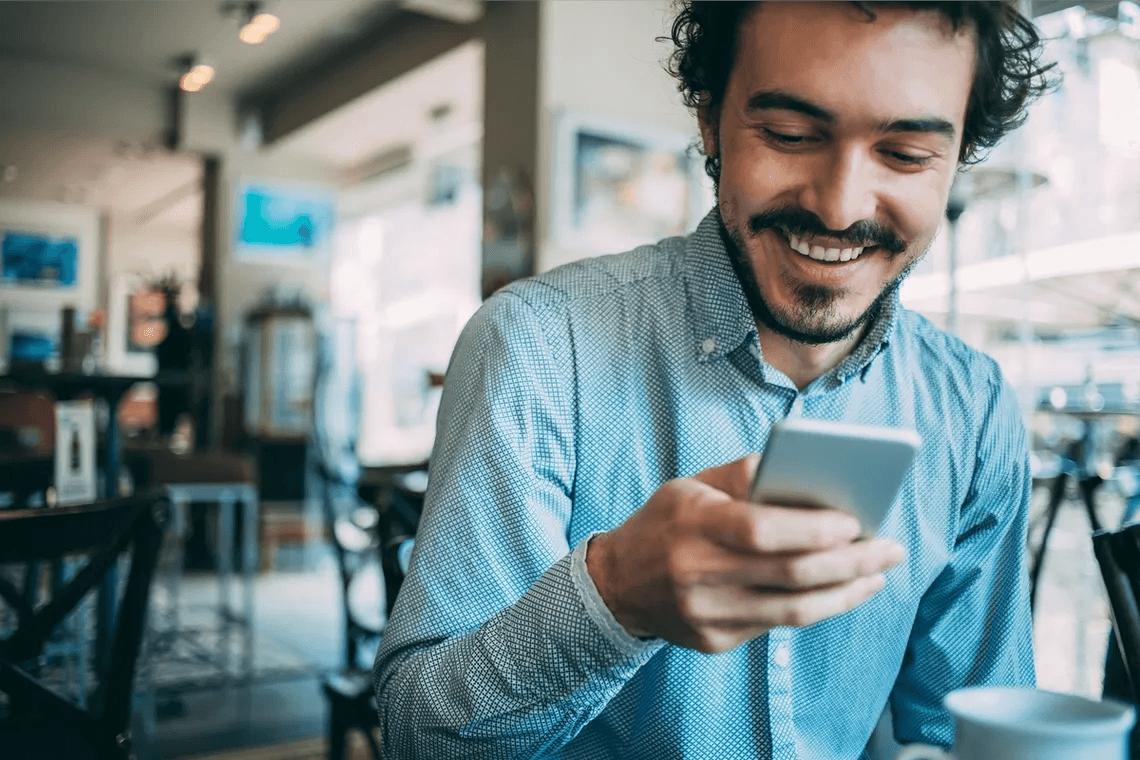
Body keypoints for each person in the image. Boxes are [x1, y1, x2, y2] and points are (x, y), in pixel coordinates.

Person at [373, 2, 1056, 757]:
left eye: (905, 154)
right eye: (792, 137)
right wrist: (613, 601)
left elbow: (971, 731)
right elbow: (421, 737)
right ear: (709, 121)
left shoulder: (973, 406)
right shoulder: (537, 346)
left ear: (958, 158)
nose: (839, 205)